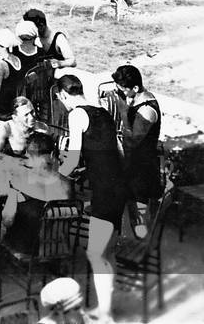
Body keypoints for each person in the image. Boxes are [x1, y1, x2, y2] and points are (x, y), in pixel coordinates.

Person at [58, 75, 125, 324]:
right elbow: (116, 150)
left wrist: (54, 177)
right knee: (107, 253)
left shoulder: (76, 115)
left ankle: (105, 316)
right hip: (118, 185)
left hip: (105, 190)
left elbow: (73, 158)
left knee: (95, 254)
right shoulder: (103, 111)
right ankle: (105, 309)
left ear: (63, 95)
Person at [1, 132, 72, 256]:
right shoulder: (67, 184)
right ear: (51, 154)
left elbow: (7, 220)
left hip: (24, 251)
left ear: (28, 155)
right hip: (55, 249)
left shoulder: (19, 182)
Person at [112, 65, 162, 238]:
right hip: (133, 164)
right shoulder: (137, 98)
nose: (122, 94)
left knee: (139, 216)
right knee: (128, 206)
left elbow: (132, 140)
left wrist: (124, 113)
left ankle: (139, 247)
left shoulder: (147, 110)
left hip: (142, 169)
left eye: (124, 91)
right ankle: (130, 240)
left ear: (135, 88)